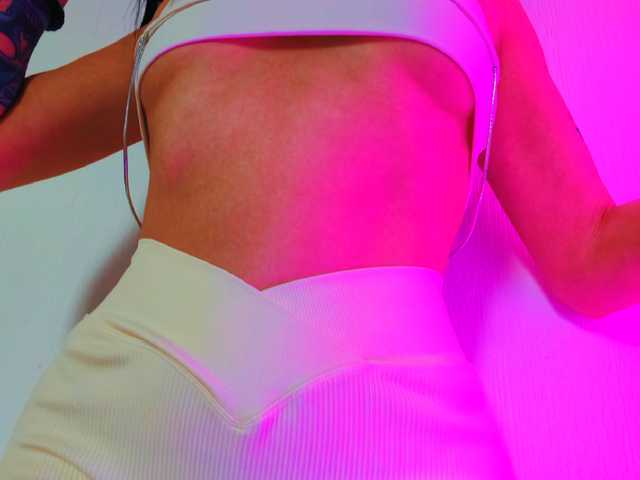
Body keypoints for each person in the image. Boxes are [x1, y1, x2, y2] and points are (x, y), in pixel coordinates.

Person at [0, 0, 626, 478]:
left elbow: (588, 255)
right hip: (122, 402)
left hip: (390, 421)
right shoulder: (174, 11)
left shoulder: (483, 9)